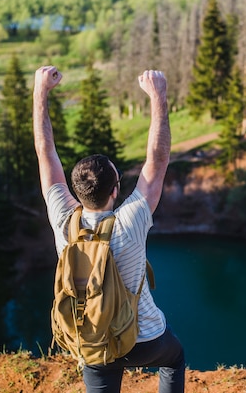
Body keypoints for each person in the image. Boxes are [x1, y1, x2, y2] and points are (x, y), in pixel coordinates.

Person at [32, 65, 185, 393]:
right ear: (116, 190)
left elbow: (46, 156)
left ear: (75, 192)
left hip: (92, 344)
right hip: (145, 340)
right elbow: (156, 162)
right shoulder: (130, 223)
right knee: (174, 359)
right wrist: (158, 95)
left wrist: (40, 93)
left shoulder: (63, 221)